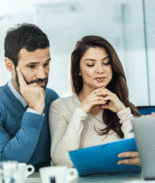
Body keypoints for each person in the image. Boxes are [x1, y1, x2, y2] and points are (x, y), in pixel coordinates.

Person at [0, 23, 59, 171]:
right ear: (9, 65)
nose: (42, 74)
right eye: (32, 66)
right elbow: (5, 166)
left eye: (46, 64)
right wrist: (34, 111)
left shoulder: (51, 98)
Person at [49, 35, 140, 168]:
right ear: (78, 70)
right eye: (90, 64)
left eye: (106, 63)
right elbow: (63, 162)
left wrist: (123, 113)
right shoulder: (60, 107)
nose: (100, 70)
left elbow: (136, 157)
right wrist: (80, 112)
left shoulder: (124, 107)